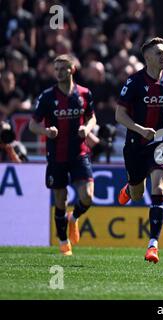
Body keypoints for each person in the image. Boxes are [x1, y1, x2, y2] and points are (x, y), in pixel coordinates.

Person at [115, 37, 163, 264]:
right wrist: (139, 129)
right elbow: (119, 115)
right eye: (158, 53)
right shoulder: (134, 82)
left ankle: (153, 245)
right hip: (136, 143)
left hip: (162, 140)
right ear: (147, 58)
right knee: (137, 195)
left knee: (159, 185)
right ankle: (130, 187)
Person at [29, 54, 96, 256]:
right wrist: (46, 132)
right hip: (56, 155)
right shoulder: (48, 96)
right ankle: (63, 241)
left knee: (88, 196)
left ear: (72, 70)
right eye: (55, 69)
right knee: (60, 198)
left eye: (62, 69)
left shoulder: (84, 94)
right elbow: (33, 124)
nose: (58, 72)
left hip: (79, 154)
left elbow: (92, 117)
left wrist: (87, 128)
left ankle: (74, 218)